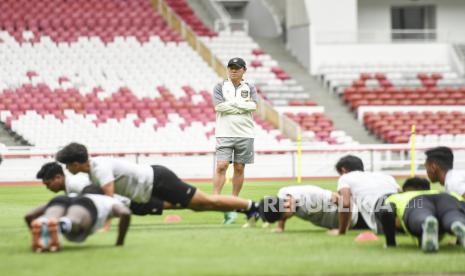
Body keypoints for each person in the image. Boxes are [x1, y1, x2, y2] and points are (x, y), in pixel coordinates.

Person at [55, 142, 260, 224]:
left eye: (66, 165)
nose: (66, 170)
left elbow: (109, 201)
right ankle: (249, 209)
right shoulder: (94, 171)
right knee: (200, 206)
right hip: (154, 183)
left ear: (75, 163)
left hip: (159, 181)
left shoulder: (99, 168)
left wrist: (105, 227)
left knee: (207, 201)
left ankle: (253, 206)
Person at [31, 162, 166, 218]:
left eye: (48, 183)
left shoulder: (75, 183)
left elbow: (97, 194)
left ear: (58, 177)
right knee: (164, 204)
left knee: (167, 205)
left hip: (124, 202)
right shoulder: (71, 185)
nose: (47, 188)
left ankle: (185, 201)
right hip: (121, 202)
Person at [212, 57, 258, 224]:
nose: (233, 70)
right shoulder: (220, 86)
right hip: (224, 133)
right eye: (230, 67)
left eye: (237, 68)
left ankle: (233, 201)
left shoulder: (250, 87)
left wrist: (231, 105)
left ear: (243, 70)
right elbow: (218, 107)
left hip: (245, 133)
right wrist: (241, 105)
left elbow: (253, 106)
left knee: (239, 168)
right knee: (221, 165)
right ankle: (215, 199)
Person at [27, 186, 131, 252]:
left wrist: (36, 233)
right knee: (74, 220)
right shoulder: (107, 200)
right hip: (87, 204)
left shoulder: (73, 195)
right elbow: (125, 213)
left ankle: (43, 223)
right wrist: (119, 243)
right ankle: (64, 224)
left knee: (49, 218)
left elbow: (29, 216)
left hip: (62, 199)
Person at [376, 177, 465, 252]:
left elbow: (386, 212)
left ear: (403, 190)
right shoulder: (450, 194)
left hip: (416, 201)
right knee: (453, 215)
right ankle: (457, 223)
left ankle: (425, 222)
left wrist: (390, 243)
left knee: (420, 214)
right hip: (446, 198)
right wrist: (458, 242)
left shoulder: (399, 196)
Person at [330, 155, 401, 236]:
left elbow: (345, 204)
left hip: (383, 213)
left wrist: (341, 231)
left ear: (343, 170)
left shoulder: (345, 178)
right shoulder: (386, 176)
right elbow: (402, 193)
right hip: (403, 208)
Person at [258, 184, 366, 233]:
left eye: (284, 216)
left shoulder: (312, 197)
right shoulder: (283, 194)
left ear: (286, 205)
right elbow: (279, 210)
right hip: (335, 223)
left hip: (358, 216)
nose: (284, 218)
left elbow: (343, 202)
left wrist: (341, 230)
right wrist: (280, 227)